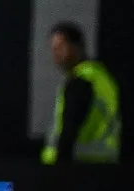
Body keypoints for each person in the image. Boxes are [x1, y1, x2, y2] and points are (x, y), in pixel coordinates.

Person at [42, 22, 120, 165]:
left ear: (76, 47)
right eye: (53, 49)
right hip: (104, 164)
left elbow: (69, 129)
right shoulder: (101, 77)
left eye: (60, 48)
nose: (55, 55)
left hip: (77, 167)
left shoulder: (81, 81)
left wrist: (57, 167)